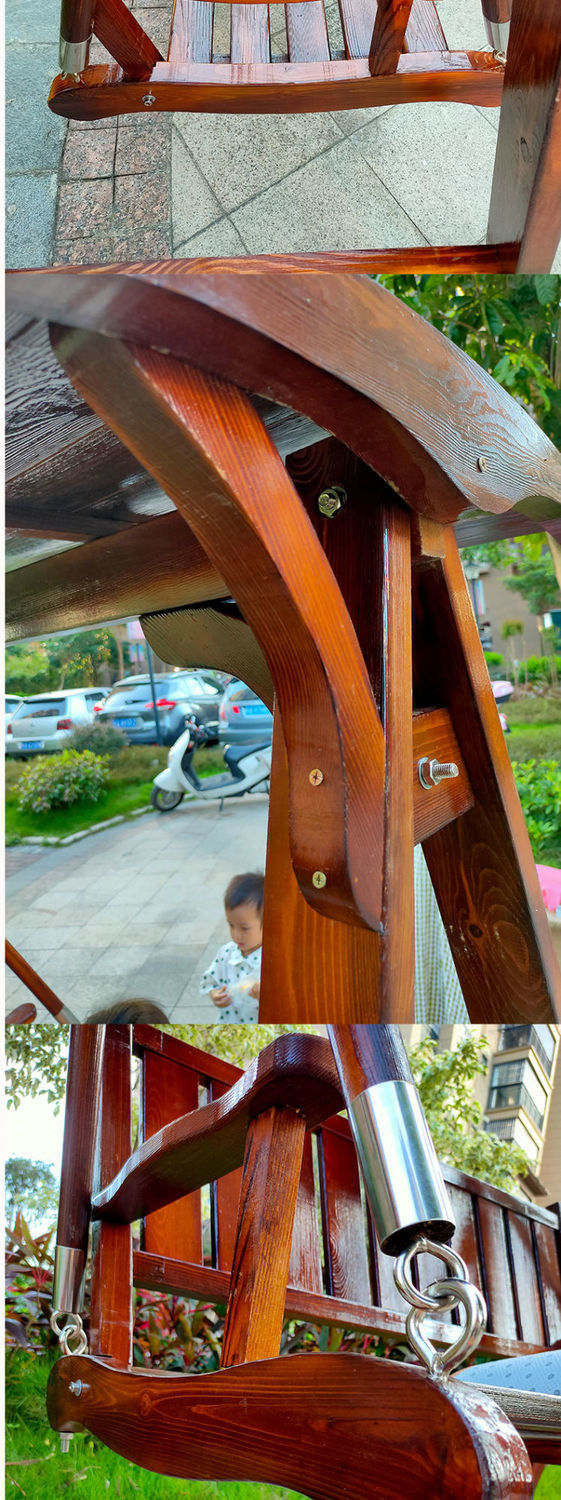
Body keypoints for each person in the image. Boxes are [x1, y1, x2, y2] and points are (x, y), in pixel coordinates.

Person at [200, 871, 264, 1023]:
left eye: (244, 928)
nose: (236, 935)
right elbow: (211, 981)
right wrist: (214, 994)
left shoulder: (273, 960)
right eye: (231, 925)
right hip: (229, 1021)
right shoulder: (226, 953)